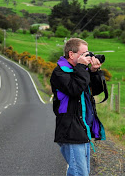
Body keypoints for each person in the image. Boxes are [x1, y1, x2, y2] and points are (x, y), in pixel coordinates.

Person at [50, 38, 106, 176]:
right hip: (70, 130)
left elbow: (96, 90)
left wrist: (94, 71)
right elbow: (74, 89)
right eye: (84, 53)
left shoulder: (79, 71)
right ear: (71, 54)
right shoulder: (60, 73)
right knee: (79, 173)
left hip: (82, 128)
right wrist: (82, 68)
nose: (88, 56)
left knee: (81, 172)